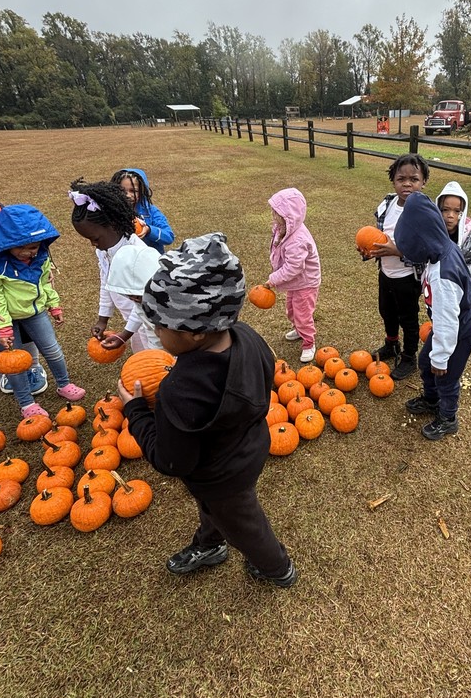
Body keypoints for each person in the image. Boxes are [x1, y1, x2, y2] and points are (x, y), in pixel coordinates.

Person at [118, 232, 297, 587]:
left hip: (221, 475)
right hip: (250, 446)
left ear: (195, 332)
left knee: (244, 524)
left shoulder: (180, 390)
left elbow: (172, 462)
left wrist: (137, 411)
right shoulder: (248, 337)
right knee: (218, 509)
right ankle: (210, 544)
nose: (155, 331)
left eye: (160, 325)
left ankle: (277, 567)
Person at [0, 204, 86, 417]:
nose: (28, 252)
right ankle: (26, 403)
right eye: (21, 248)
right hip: (2, 318)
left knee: (52, 349)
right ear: (6, 243)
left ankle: (64, 384)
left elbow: (45, 283)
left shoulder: (40, 256)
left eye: (33, 247)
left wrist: (54, 305)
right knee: (14, 362)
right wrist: (4, 328)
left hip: (34, 312)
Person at [394, 192, 471, 440]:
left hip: (459, 329)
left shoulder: (443, 276)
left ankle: (448, 417)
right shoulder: (440, 249)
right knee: (425, 362)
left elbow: (447, 320)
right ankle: (431, 400)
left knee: (446, 375)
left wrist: (441, 357)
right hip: (446, 326)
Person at [0, 191, 48, 397]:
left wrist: (38, 270)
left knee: (20, 306)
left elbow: (29, 235)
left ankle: (31, 364)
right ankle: (2, 367)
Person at [367, 154, 430, 381]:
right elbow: (379, 235)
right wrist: (368, 250)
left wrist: (398, 251)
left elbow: (427, 249)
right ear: (393, 180)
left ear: (423, 182)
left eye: (414, 179)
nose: (407, 184)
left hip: (407, 276)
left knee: (409, 317)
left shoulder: (424, 211)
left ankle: (409, 356)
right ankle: (392, 344)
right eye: (401, 178)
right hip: (386, 272)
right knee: (387, 311)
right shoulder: (387, 204)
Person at [69, 179, 151, 353]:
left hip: (151, 323)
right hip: (132, 321)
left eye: (95, 238)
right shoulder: (104, 250)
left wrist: (125, 334)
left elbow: (145, 303)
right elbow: (106, 282)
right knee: (141, 357)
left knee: (156, 361)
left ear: (113, 225)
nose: (93, 244)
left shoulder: (136, 254)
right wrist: (103, 318)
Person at [265, 187, 321, 364]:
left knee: (303, 313)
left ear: (289, 215)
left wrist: (274, 278)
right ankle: (298, 329)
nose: (274, 216)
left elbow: (294, 267)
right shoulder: (285, 229)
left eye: (277, 213)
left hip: (305, 283)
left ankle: (308, 343)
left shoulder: (297, 239)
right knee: (291, 310)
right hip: (295, 283)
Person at [103, 244, 164, 350]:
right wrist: (124, 335)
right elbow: (139, 312)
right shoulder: (142, 301)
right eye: (129, 296)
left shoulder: (175, 306)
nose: (134, 300)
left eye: (136, 295)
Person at [110, 168, 173, 253]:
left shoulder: (151, 212)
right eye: (122, 190)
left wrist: (149, 230)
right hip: (125, 261)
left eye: (133, 191)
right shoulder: (111, 212)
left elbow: (169, 237)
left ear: (142, 192)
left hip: (151, 261)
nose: (128, 195)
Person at [435, 181, 471, 282]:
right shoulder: (432, 234)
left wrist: (462, 274)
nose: (450, 215)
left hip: (463, 288)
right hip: (437, 286)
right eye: (445, 210)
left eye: (457, 211)